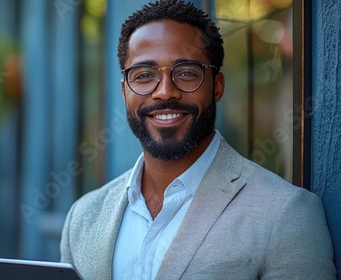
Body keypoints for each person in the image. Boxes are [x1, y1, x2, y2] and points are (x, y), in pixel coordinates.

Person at [60, 0, 337, 279]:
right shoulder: (84, 216)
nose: (165, 92)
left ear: (217, 87)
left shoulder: (286, 214)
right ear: (124, 92)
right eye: (144, 75)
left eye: (186, 73)